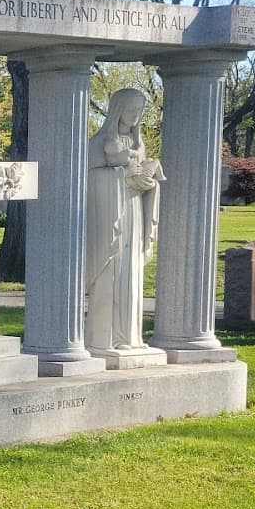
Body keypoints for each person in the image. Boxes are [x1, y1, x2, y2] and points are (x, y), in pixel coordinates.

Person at [85, 87, 163, 352]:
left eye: (140, 110)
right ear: (117, 110)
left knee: (132, 272)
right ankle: (104, 339)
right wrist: (121, 176)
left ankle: (130, 338)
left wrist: (150, 183)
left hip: (134, 211)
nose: (135, 115)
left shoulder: (139, 144)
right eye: (131, 109)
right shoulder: (98, 143)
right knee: (112, 272)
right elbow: (90, 179)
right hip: (111, 215)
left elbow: (144, 176)